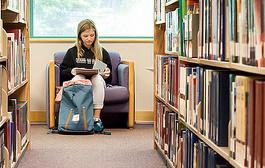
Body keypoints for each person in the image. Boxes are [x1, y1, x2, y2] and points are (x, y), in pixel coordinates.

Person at [60, 19, 112, 130]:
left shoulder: (102, 52)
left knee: (97, 77)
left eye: (92, 35)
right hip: (80, 81)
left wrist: (107, 74)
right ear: (79, 36)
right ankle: (79, 117)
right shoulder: (72, 52)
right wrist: (73, 71)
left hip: (97, 81)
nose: (89, 39)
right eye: (85, 36)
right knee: (79, 77)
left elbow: (109, 76)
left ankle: (96, 119)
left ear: (96, 35)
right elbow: (62, 72)